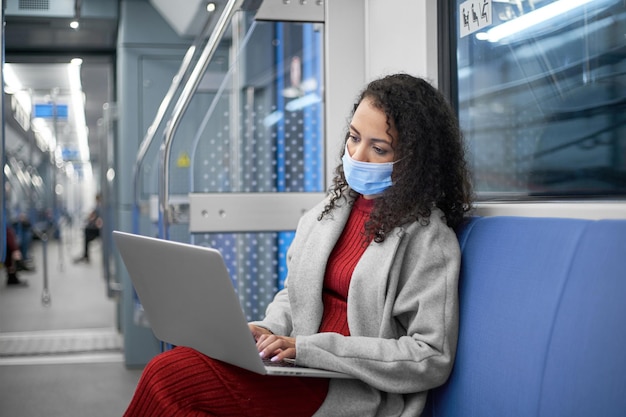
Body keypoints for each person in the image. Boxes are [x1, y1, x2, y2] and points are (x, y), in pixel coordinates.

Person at [123, 73, 473, 417]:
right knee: (169, 368)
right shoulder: (329, 212)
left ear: (414, 161)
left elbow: (429, 356)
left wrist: (308, 349)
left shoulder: (429, 240)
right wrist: (269, 330)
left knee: (172, 381)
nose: (357, 155)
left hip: (350, 385)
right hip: (297, 366)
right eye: (353, 138)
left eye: (378, 148)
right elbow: (294, 295)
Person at [74, 193, 103, 263]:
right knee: (86, 232)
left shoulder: (100, 208)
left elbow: (96, 220)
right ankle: (86, 255)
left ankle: (86, 255)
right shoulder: (98, 208)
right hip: (97, 228)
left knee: (87, 233)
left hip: (99, 230)